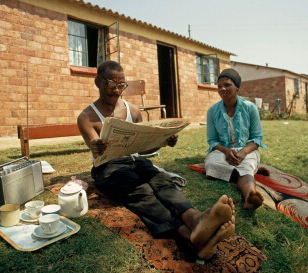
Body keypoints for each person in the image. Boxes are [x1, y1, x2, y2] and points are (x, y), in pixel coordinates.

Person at [77, 60, 235, 259]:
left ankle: (196, 220)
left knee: (161, 182)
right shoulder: (87, 117)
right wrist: (96, 145)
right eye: (111, 84)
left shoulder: (133, 111)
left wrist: (163, 141)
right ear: (98, 82)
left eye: (121, 85)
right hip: (108, 168)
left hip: (136, 161)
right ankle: (189, 237)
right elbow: (94, 145)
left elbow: (144, 149)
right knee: (141, 191)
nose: (117, 90)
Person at [204, 68, 267, 210]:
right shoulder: (212, 111)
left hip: (246, 149)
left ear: (237, 86)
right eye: (219, 86)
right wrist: (226, 152)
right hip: (222, 151)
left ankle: (250, 196)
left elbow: (257, 138)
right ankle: (244, 174)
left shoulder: (250, 108)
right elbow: (212, 141)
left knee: (246, 164)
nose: (222, 89)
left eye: (227, 85)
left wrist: (243, 152)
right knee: (211, 164)